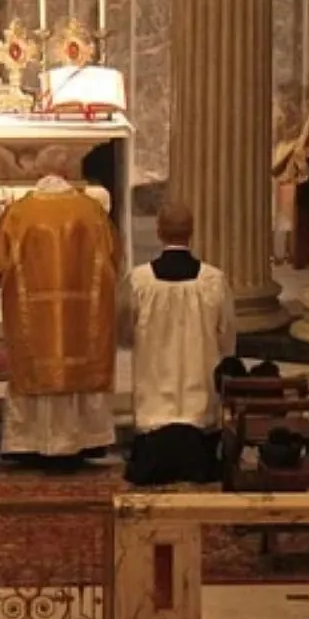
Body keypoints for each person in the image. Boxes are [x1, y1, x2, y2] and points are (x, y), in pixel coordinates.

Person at [0, 146, 121, 468]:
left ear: (39, 171)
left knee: (37, 365)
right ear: (68, 172)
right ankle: (83, 438)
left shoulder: (19, 213)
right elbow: (114, 260)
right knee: (78, 361)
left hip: (36, 318)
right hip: (79, 318)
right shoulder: (91, 212)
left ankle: (31, 440)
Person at [119, 202, 236, 486]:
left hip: (153, 411)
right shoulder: (213, 280)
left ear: (159, 232)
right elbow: (227, 337)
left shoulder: (139, 280)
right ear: (192, 232)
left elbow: (124, 334)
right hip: (199, 412)